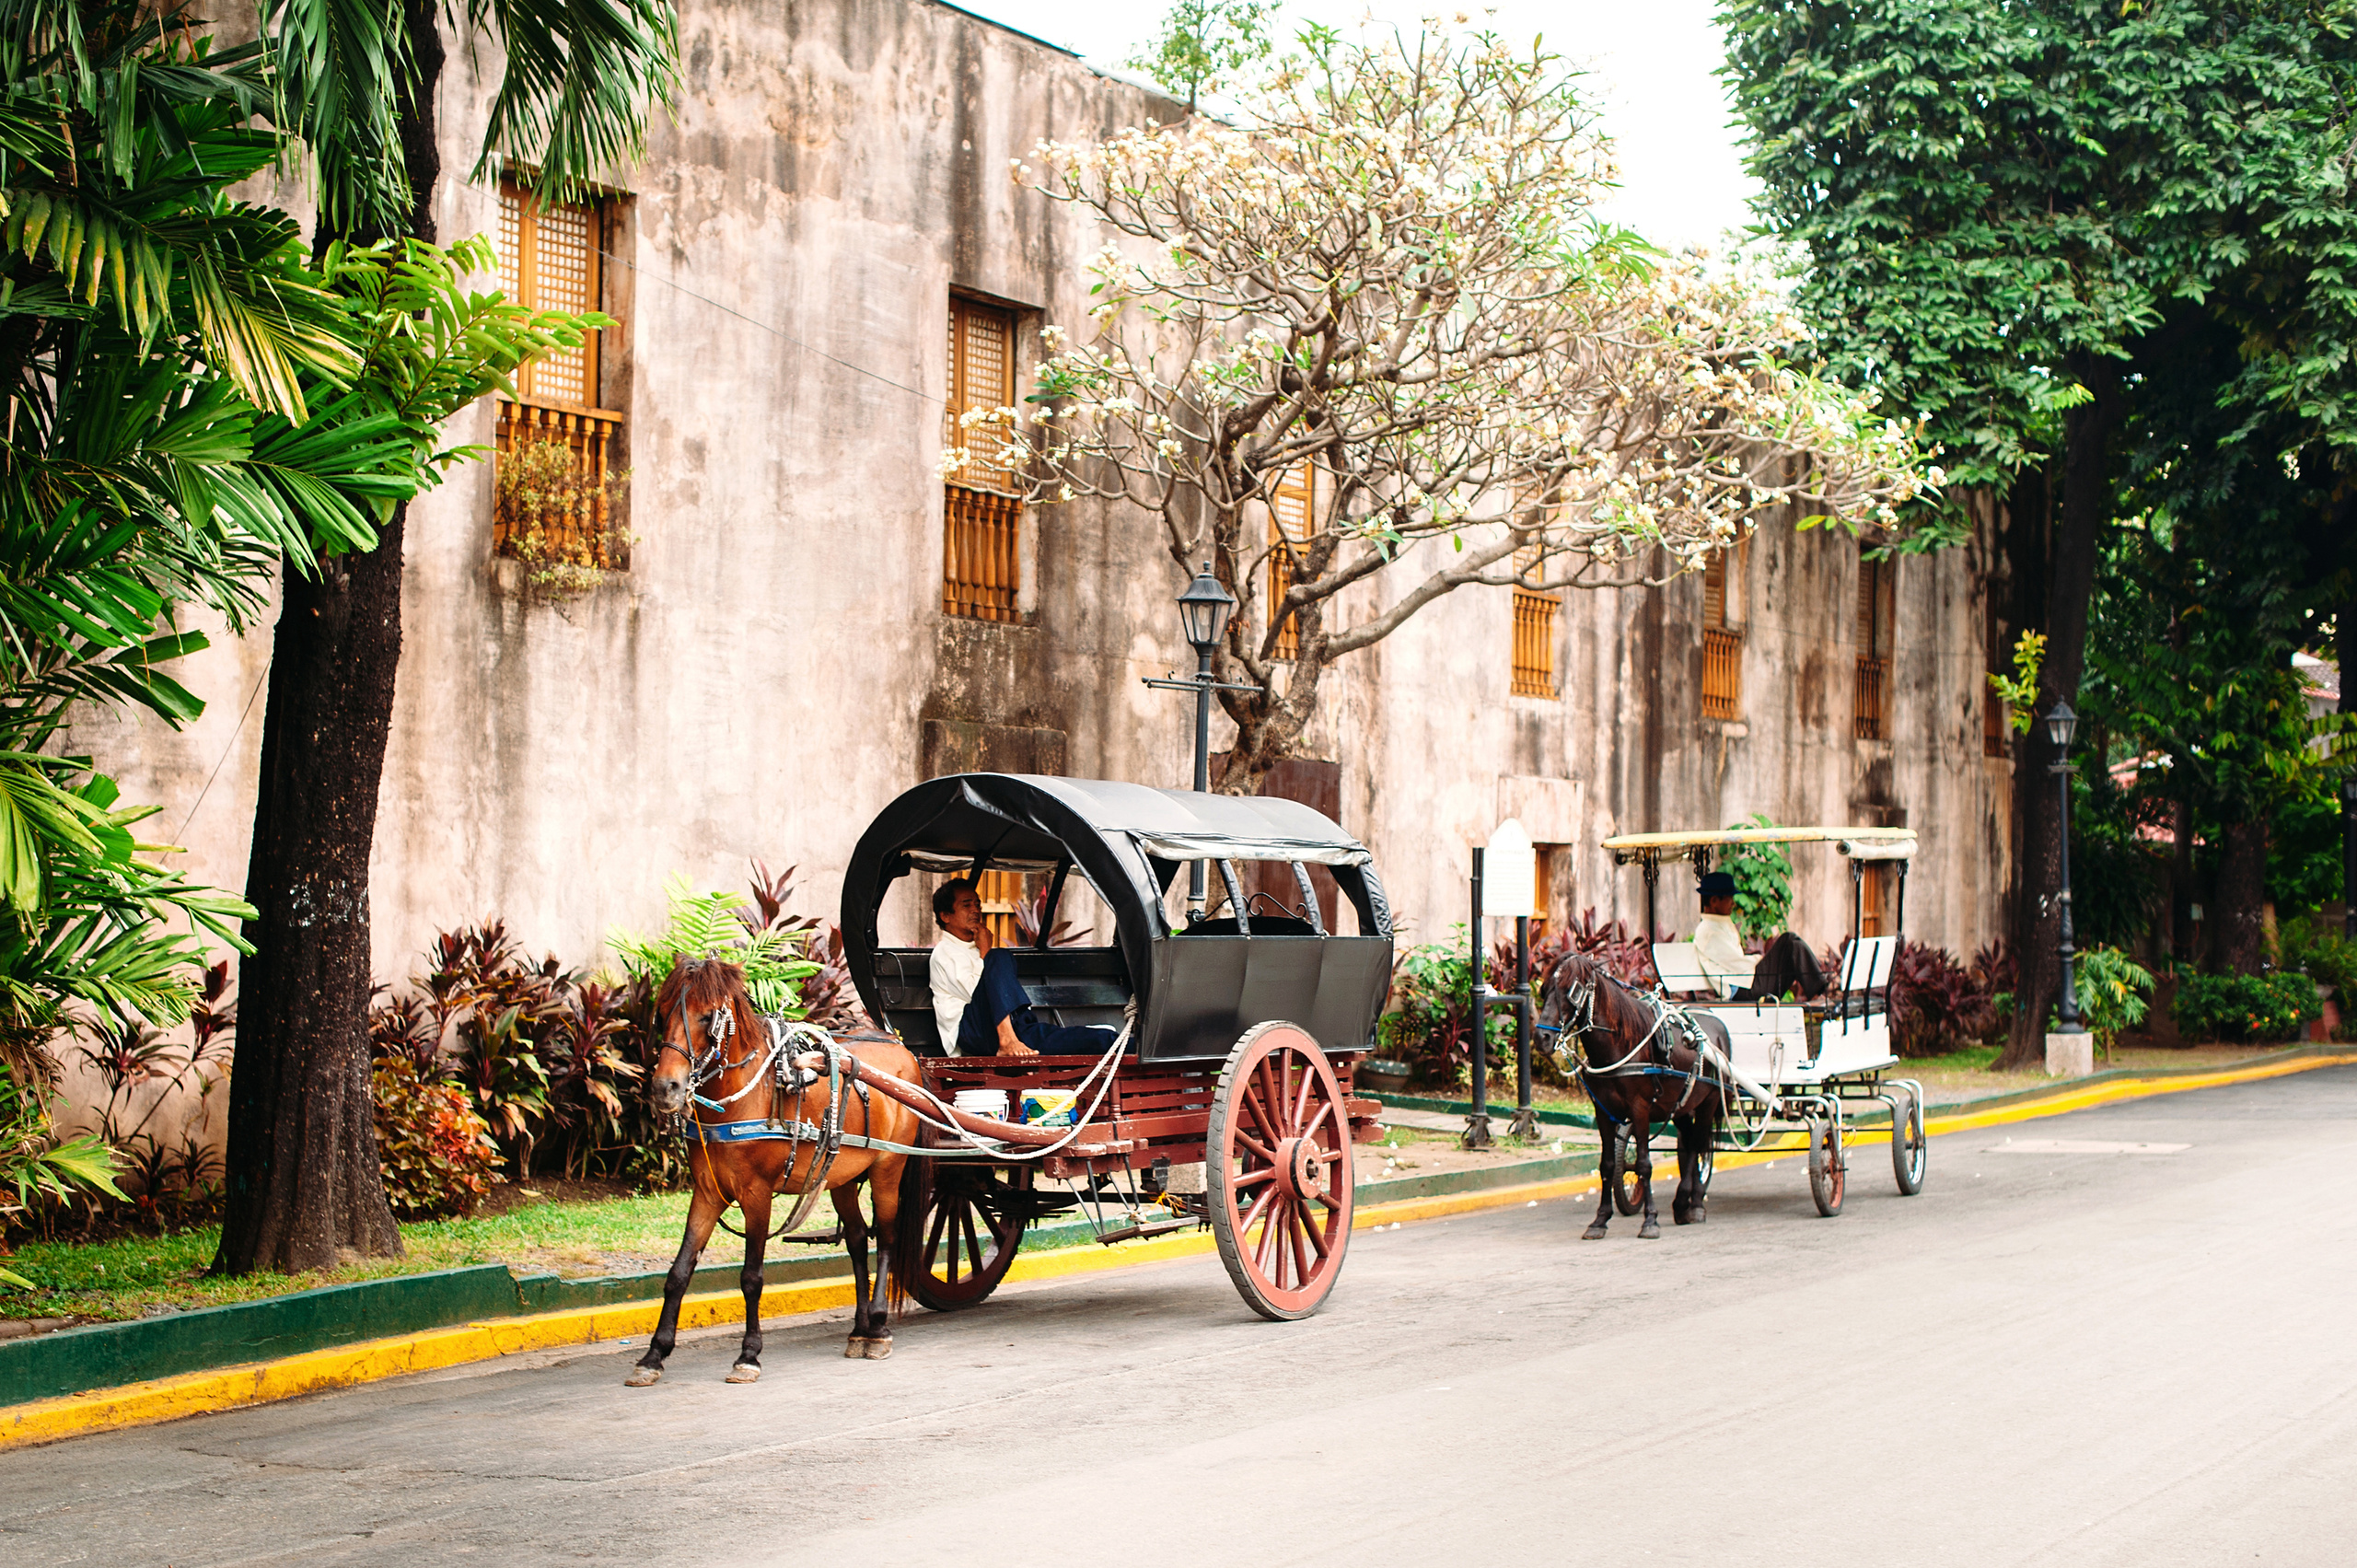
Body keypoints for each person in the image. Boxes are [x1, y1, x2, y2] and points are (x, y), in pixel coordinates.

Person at [930, 877, 1121, 1057]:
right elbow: (977, 993)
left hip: (1017, 1027)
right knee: (999, 956)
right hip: (975, 1033)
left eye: (978, 904)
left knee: (1100, 1040)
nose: (976, 910)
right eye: (967, 905)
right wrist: (986, 952)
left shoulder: (977, 947)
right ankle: (1007, 1041)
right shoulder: (944, 952)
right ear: (946, 916)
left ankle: (1127, 1044)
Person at [1691, 870, 1829, 1003]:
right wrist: (1760, 959)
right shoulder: (1709, 931)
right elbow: (1736, 963)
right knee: (1788, 941)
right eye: (1730, 899)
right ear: (1714, 901)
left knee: (1790, 945)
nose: (1733, 903)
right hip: (1743, 989)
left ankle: (1817, 993)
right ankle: (1818, 993)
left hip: (1747, 983)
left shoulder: (1718, 924)